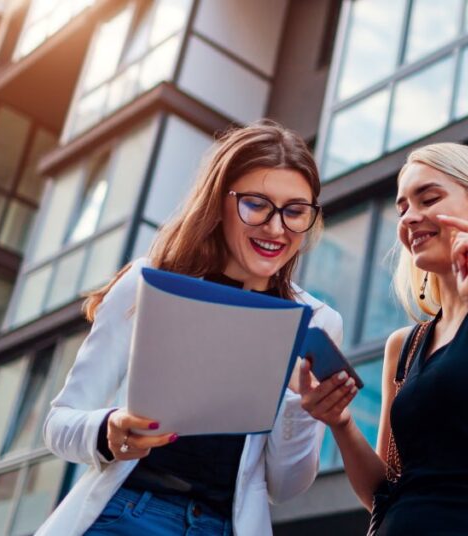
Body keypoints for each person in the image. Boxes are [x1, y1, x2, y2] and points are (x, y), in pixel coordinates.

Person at [38, 120, 347, 536]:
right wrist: (107, 430)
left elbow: (285, 486)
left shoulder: (316, 322)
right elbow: (59, 424)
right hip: (127, 515)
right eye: (257, 204)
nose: (277, 228)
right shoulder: (147, 283)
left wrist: (303, 409)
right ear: (220, 202)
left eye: (295, 212)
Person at [301, 142, 468, 535]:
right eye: (402, 209)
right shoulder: (405, 344)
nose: (411, 217)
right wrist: (341, 422)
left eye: (428, 199)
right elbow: (384, 494)